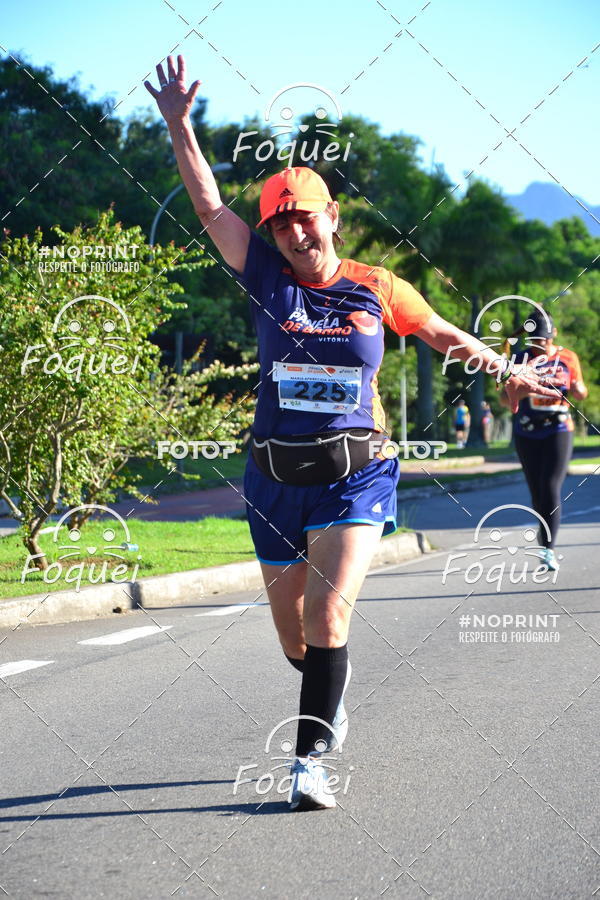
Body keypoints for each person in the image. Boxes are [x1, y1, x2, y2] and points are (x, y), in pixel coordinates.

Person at [145, 56, 556, 811]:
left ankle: (308, 763)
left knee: (326, 615)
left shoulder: (376, 286)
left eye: (307, 214)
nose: (296, 229)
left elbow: (438, 332)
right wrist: (179, 125)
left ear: (332, 216)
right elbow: (208, 207)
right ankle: (328, 686)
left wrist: (504, 366)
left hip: (354, 471)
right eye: (281, 220)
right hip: (273, 478)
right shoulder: (266, 276)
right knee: (297, 642)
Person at [500, 308, 587, 571]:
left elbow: (581, 391)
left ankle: (548, 549)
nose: (543, 345)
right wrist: (523, 391)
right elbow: (505, 400)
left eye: (546, 339)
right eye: (537, 340)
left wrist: (578, 390)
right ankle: (544, 535)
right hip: (527, 431)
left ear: (554, 334)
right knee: (537, 493)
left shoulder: (569, 357)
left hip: (559, 428)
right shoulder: (519, 359)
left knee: (550, 486)